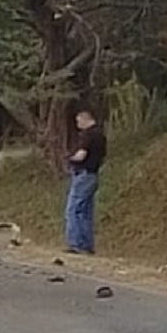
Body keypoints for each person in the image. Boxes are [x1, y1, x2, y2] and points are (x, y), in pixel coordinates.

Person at [64, 108, 107, 254]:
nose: (77, 125)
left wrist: (69, 158)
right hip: (94, 174)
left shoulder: (88, 135)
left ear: (84, 119)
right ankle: (87, 244)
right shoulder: (101, 135)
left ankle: (76, 243)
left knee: (74, 209)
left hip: (83, 174)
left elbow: (81, 155)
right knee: (86, 211)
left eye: (78, 121)